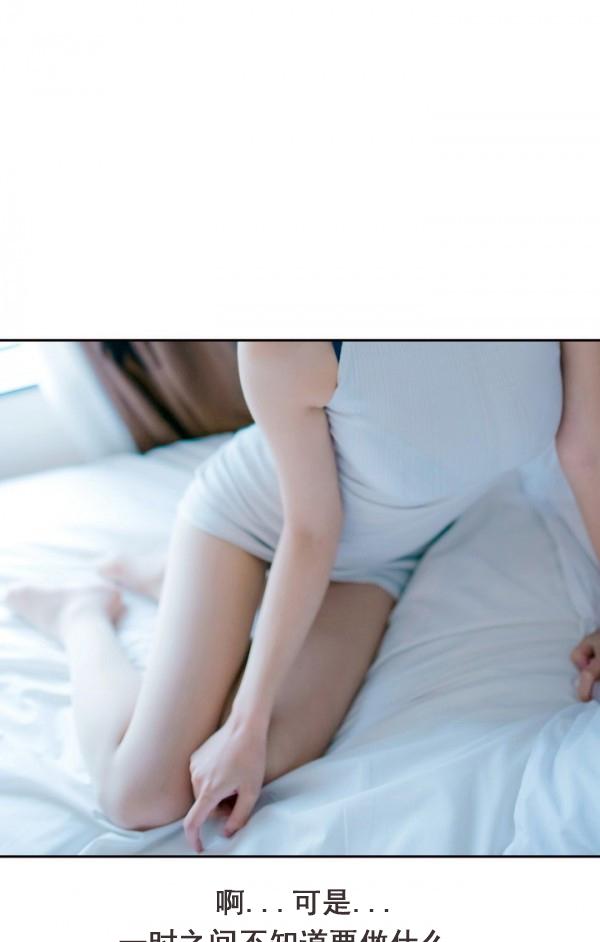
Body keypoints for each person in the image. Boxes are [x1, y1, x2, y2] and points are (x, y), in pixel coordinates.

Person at [8, 343, 600, 841]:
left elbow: (586, 455)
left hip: (374, 562)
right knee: (144, 796)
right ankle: (80, 613)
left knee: (246, 773)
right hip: (259, 528)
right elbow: (313, 528)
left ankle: (178, 585)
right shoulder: (290, 340)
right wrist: (244, 727)